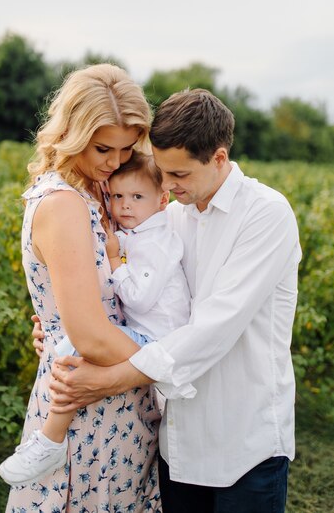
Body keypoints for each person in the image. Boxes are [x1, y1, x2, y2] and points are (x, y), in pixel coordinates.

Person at [45, 89, 301, 513]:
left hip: (245, 437)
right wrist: (64, 327)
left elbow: (215, 328)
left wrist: (111, 378)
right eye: (162, 172)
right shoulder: (170, 214)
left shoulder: (266, 214)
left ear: (219, 158)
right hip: (177, 439)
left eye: (179, 174)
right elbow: (139, 301)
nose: (166, 185)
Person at [3, 64, 162, 513]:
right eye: (103, 148)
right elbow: (89, 335)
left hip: (118, 392)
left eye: (127, 148)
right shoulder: (63, 204)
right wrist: (172, 364)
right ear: (71, 133)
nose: (115, 161)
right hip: (88, 403)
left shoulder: (104, 191)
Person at [0, 150, 191, 486]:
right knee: (72, 346)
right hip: (133, 336)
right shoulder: (127, 221)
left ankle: (50, 440)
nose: (124, 205)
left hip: (155, 340)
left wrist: (116, 261)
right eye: (118, 197)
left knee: (78, 349)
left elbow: (138, 297)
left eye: (135, 197)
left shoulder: (157, 240)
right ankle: (49, 440)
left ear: (162, 201)